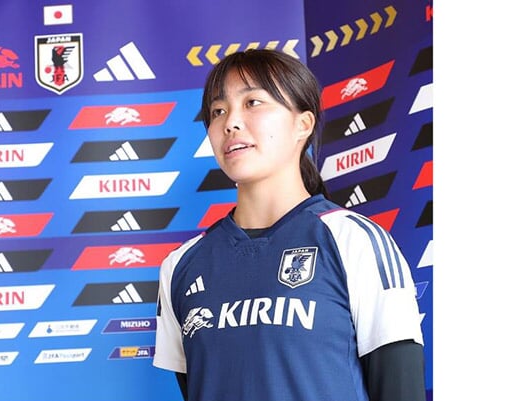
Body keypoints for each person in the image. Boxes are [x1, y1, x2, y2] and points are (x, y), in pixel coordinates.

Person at [153, 48, 425, 401]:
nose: (230, 122)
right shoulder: (181, 265)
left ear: (303, 124)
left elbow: (400, 389)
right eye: (218, 111)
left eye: (253, 102)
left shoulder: (354, 241)